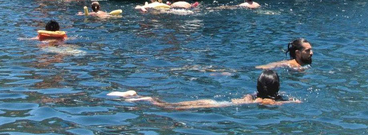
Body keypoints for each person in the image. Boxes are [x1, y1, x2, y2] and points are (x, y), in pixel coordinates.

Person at [110, 70, 295, 108]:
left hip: (216, 103)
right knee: (168, 106)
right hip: (215, 105)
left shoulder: (254, 96)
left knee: (170, 105)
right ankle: (141, 98)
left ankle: (138, 97)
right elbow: (275, 103)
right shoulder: (267, 101)